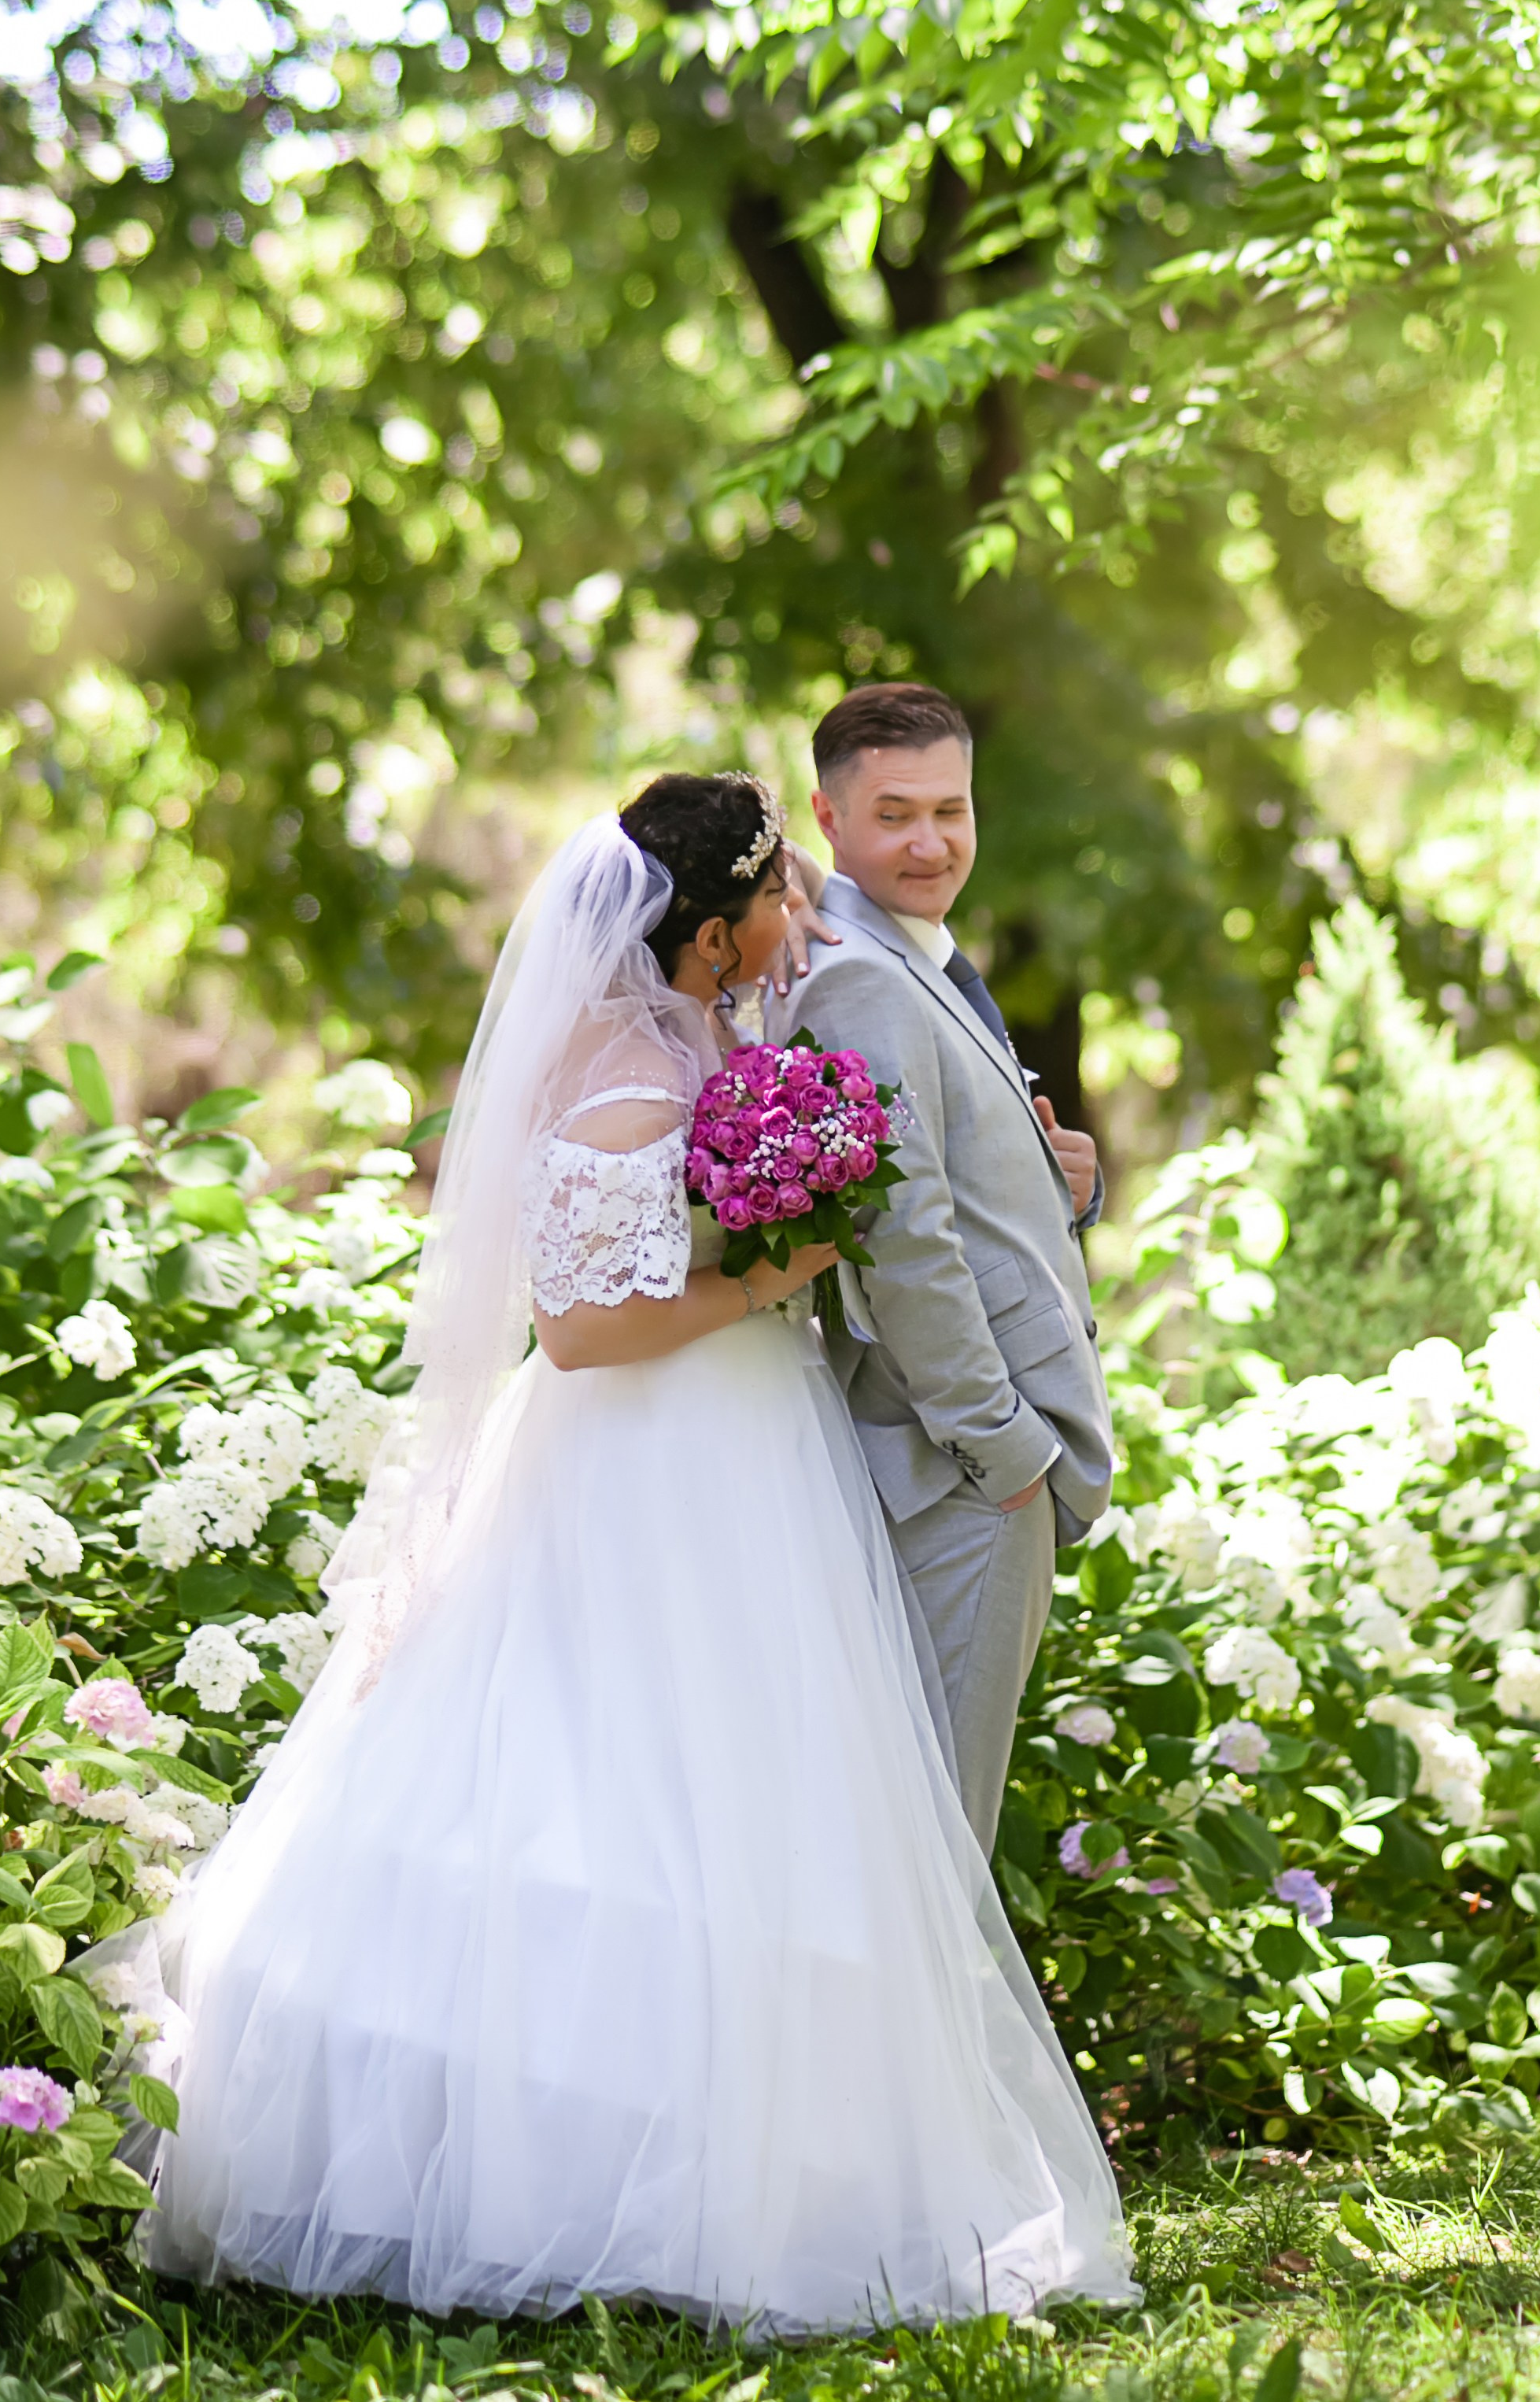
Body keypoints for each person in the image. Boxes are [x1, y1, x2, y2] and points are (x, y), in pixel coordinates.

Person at [87, 774, 1134, 2337]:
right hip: (639, 1461)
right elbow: (579, 1332)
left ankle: (756, 2146)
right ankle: (569, 2172)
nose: (805, 913)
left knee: (735, 1799)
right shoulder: (629, 1075)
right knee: (610, 1785)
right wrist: (787, 1263)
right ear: (709, 935)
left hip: (746, 1444)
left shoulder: (721, 1043)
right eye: (780, 893)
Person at [770, 685, 1116, 1857]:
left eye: (952, 811)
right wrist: (1005, 1449)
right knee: (934, 1848)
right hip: (962, 1470)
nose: (930, 844)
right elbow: (903, 1239)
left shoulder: (918, 956)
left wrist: (1067, 1180)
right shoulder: (860, 971)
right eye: (895, 813)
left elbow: (967, 1182)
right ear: (829, 816)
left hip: (983, 1460)